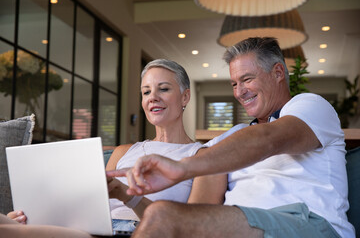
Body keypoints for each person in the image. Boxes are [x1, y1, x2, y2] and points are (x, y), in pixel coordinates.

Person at [111, 37, 355, 238]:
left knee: (161, 215)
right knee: (164, 216)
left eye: (247, 79)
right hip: (241, 227)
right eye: (234, 84)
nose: (240, 92)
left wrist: (182, 167)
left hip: (309, 225)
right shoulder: (226, 141)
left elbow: (268, 139)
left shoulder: (310, 107)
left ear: (278, 72)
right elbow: (194, 212)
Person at [1, 59, 207, 236]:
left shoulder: (200, 157)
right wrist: (29, 215)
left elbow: (188, 230)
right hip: (92, 230)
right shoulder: (124, 152)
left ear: (185, 97)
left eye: (163, 89)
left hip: (137, 232)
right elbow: (90, 208)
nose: (152, 97)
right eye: (146, 92)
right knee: (7, 223)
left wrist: (128, 195)